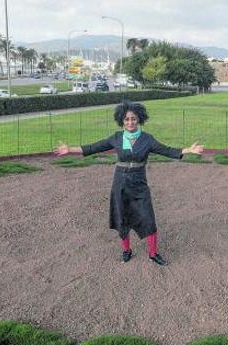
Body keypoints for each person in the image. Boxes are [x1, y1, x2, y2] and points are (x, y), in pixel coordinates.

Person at [54, 101, 203, 266]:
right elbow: (92, 147)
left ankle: (153, 253)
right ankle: (126, 250)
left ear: (139, 119)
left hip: (139, 183)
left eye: (133, 119)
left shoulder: (147, 139)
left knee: (148, 218)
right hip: (120, 183)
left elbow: (166, 150)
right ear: (122, 121)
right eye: (127, 119)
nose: (130, 122)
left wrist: (188, 150)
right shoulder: (116, 138)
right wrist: (70, 149)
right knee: (121, 216)